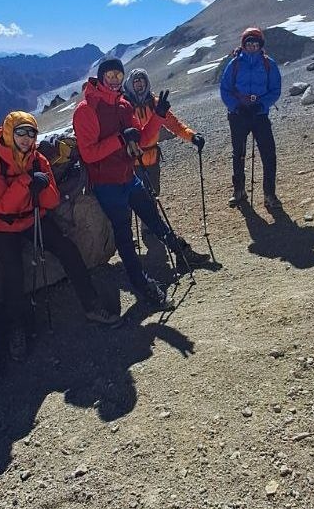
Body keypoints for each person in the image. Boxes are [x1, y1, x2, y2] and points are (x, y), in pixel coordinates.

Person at [0, 111, 120, 362]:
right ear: (10, 133)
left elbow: (52, 200)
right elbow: (1, 206)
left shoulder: (38, 160)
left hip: (32, 217)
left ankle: (91, 306)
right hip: (1, 226)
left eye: (31, 133)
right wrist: (26, 182)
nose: (26, 138)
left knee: (67, 249)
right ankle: (17, 329)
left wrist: (42, 186)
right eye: (21, 132)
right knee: (13, 272)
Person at [73, 58, 209, 309]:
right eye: (109, 75)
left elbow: (143, 139)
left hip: (128, 176)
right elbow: (89, 154)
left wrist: (158, 116)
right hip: (107, 184)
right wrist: (119, 139)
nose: (114, 80)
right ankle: (142, 284)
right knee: (124, 234)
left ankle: (181, 252)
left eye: (118, 75)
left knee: (153, 217)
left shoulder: (124, 105)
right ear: (101, 77)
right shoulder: (86, 109)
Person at [219, 27, 282, 210]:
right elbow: (225, 89)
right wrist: (237, 107)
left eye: (255, 43)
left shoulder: (269, 64)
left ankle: (269, 194)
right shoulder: (234, 64)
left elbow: (275, 90)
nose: (252, 46)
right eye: (249, 43)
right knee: (238, 154)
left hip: (260, 115)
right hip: (238, 115)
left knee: (268, 154)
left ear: (260, 45)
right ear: (244, 45)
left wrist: (261, 105)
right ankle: (239, 191)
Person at [122, 67, 205, 199]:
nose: (140, 83)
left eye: (142, 80)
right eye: (136, 81)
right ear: (130, 84)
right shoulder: (125, 105)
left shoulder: (156, 104)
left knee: (153, 195)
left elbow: (175, 125)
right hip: (133, 162)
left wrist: (192, 136)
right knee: (138, 199)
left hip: (152, 160)